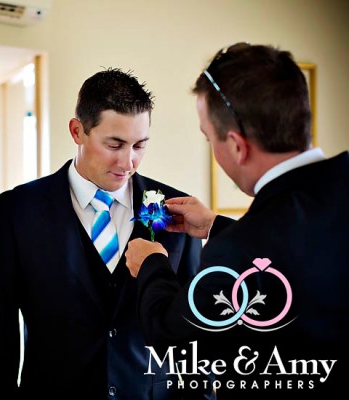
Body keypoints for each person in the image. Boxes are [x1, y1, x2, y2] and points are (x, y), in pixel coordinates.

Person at [125, 43, 349, 399]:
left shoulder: (239, 250)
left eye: (208, 138)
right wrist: (217, 227)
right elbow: (300, 253)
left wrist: (152, 264)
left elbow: (180, 345)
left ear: (236, 146)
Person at [0, 68, 212, 399]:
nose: (128, 162)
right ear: (77, 131)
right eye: (114, 144)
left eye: (139, 145)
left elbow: (194, 330)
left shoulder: (175, 210)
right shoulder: (16, 211)